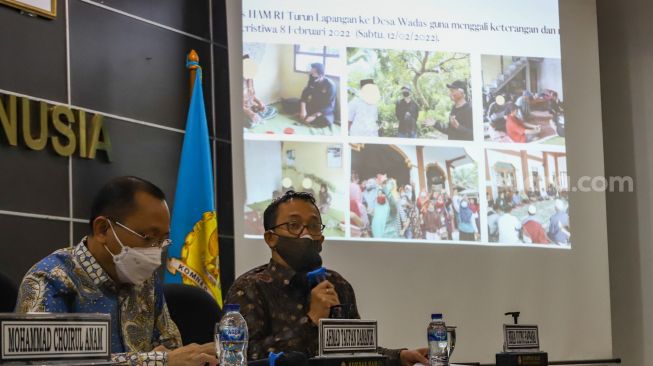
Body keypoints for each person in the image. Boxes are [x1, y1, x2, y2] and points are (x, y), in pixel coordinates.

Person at [14, 176, 218, 366]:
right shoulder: (50, 280)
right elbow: (47, 363)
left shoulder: (145, 279)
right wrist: (159, 361)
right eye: (148, 238)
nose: (156, 251)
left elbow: (171, 346)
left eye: (162, 240)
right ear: (103, 229)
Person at [224, 191, 428, 364]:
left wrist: (398, 357)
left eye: (313, 226)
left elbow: (353, 350)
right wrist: (311, 320)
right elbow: (239, 358)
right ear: (271, 238)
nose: (306, 235)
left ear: (320, 240)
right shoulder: (249, 288)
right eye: (294, 225)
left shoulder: (337, 284)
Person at [243, 54, 277, 127]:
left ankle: (257, 117)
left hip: (251, 107)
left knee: (273, 110)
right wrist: (249, 113)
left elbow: (252, 95)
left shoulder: (250, 79)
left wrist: (259, 102)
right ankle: (255, 118)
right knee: (250, 123)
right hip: (242, 111)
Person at [300, 63, 337, 130]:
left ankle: (310, 118)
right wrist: (303, 110)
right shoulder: (311, 80)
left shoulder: (330, 85)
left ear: (321, 74)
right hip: (312, 106)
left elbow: (329, 106)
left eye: (315, 74)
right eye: (312, 73)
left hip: (324, 111)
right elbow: (304, 95)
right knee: (289, 103)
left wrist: (314, 116)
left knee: (326, 121)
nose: (313, 76)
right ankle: (306, 116)